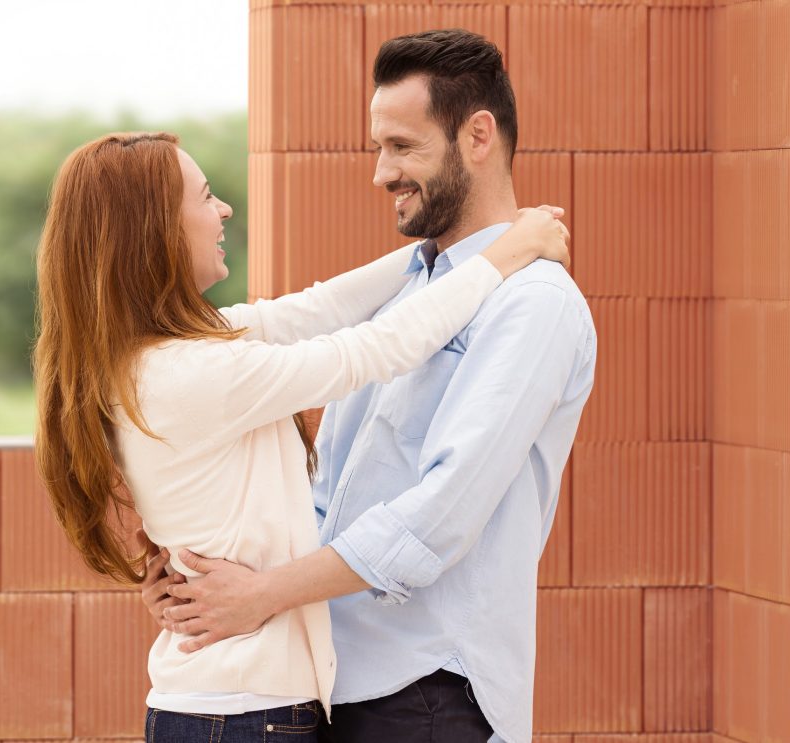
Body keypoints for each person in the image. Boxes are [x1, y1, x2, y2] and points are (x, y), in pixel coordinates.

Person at [33, 130, 570, 743]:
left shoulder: (163, 357)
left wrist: (451, 249)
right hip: (244, 715)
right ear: (157, 232)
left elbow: (316, 309)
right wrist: (503, 255)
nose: (224, 210)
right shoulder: (191, 374)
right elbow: (374, 348)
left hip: (219, 706)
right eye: (207, 198)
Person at [142, 30, 597, 743]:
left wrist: (260, 594)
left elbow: (439, 514)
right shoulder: (406, 292)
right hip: (338, 679)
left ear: (478, 136)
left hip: (430, 693)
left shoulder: (533, 303)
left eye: (403, 147)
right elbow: (327, 488)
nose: (382, 173)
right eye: (377, 148)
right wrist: (198, 572)